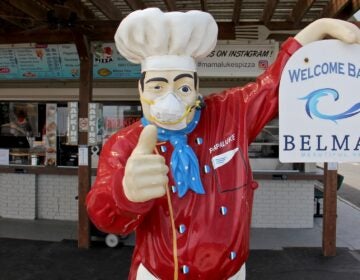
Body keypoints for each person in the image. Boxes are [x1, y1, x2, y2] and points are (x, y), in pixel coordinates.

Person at [86, 8, 360, 280]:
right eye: (157, 87)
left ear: (196, 88)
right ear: (140, 89)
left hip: (231, 273)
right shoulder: (123, 144)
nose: (170, 100)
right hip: (157, 274)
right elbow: (106, 220)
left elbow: (273, 85)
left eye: (182, 87)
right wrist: (124, 194)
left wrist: (317, 29)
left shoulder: (230, 113)